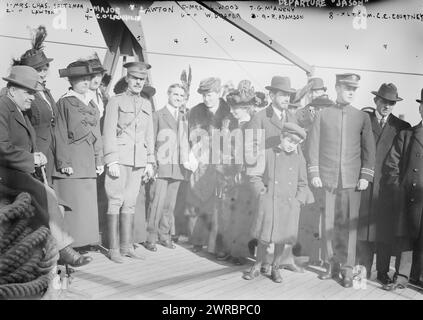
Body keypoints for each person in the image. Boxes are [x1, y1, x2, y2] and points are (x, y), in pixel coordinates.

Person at [0, 65, 91, 267]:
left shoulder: (18, 108)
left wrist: (33, 155)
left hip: (17, 170)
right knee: (47, 195)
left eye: (34, 93)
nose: (32, 98)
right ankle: (63, 250)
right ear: (12, 89)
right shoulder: (3, 107)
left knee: (57, 202)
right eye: (28, 92)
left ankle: (51, 252)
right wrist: (30, 159)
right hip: (5, 172)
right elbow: (2, 147)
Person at [307, 73, 376, 288]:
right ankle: (331, 265)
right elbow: (313, 145)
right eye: (347, 88)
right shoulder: (323, 114)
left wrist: (365, 175)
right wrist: (315, 173)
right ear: (336, 88)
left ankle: (347, 269)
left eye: (354, 89)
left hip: (351, 182)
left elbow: (369, 150)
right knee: (328, 224)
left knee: (349, 228)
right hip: (328, 179)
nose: (351, 92)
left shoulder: (361, 117)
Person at [245, 75, 300, 273]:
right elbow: (250, 152)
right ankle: (259, 264)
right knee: (264, 227)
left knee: (282, 227)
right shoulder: (260, 117)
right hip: (267, 183)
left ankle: (276, 265)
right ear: (271, 95)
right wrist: (259, 188)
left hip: (286, 186)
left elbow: (296, 153)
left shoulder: (291, 118)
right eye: (283, 94)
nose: (287, 98)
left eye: (289, 95)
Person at [357, 83, 410, 284]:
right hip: (364, 185)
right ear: (375, 101)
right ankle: (360, 274)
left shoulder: (401, 127)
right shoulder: (363, 121)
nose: (387, 106)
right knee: (362, 232)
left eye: (391, 103)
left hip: (387, 190)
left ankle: (382, 273)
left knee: (384, 233)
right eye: (383, 101)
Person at [102, 61, 155, 263]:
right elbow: (108, 132)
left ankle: (126, 246)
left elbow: (149, 134)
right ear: (127, 78)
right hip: (120, 158)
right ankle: (113, 248)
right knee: (115, 201)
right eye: (135, 78)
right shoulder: (115, 102)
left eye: (142, 80)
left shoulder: (147, 104)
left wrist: (150, 161)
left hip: (139, 160)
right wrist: (111, 160)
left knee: (130, 203)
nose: (138, 82)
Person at [244, 123, 309, 283]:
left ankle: (275, 267)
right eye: (289, 141)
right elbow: (254, 176)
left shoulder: (299, 160)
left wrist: (297, 201)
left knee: (282, 238)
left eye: (295, 143)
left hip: (289, 205)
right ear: (282, 137)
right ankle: (257, 266)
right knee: (263, 237)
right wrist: (262, 193)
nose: (291, 145)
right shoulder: (267, 154)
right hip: (269, 202)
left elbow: (303, 183)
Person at [52, 60, 104, 249]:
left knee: (87, 205)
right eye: (80, 78)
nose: (84, 82)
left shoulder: (92, 103)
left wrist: (99, 159)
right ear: (71, 80)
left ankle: (86, 242)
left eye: (87, 78)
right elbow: (59, 132)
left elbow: (97, 134)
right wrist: (64, 161)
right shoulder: (64, 102)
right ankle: (71, 246)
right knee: (73, 204)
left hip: (89, 161)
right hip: (72, 161)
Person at [186, 77, 236, 255]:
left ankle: (214, 242)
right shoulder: (196, 112)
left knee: (218, 204)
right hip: (203, 159)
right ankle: (197, 239)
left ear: (218, 93)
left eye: (210, 95)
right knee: (201, 199)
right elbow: (192, 135)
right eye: (204, 95)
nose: (207, 99)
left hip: (223, 162)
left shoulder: (229, 111)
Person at [383, 89, 423, 289]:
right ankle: (402, 276)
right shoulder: (407, 134)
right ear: (420, 108)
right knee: (406, 237)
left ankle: (420, 277)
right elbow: (392, 164)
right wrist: (398, 188)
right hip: (409, 197)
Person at [8, 26, 58, 185]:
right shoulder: (25, 95)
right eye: (39, 70)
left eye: (45, 68)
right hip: (34, 150)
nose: (43, 73)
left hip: (49, 149)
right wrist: (32, 152)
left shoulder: (46, 91)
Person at [144, 83, 190, 251]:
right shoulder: (157, 115)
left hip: (177, 167)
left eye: (181, 96)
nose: (178, 98)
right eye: (175, 95)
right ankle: (150, 237)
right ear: (168, 95)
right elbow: (150, 142)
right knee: (156, 203)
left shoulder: (184, 117)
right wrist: (152, 164)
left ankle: (165, 235)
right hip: (161, 167)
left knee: (170, 205)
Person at [223, 83, 259, 265]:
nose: (233, 111)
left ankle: (240, 252)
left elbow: (249, 152)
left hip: (244, 175)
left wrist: (239, 170)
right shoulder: (233, 125)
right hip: (232, 174)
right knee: (234, 214)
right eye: (231, 108)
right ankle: (234, 249)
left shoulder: (251, 125)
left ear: (246, 108)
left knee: (243, 215)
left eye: (236, 108)